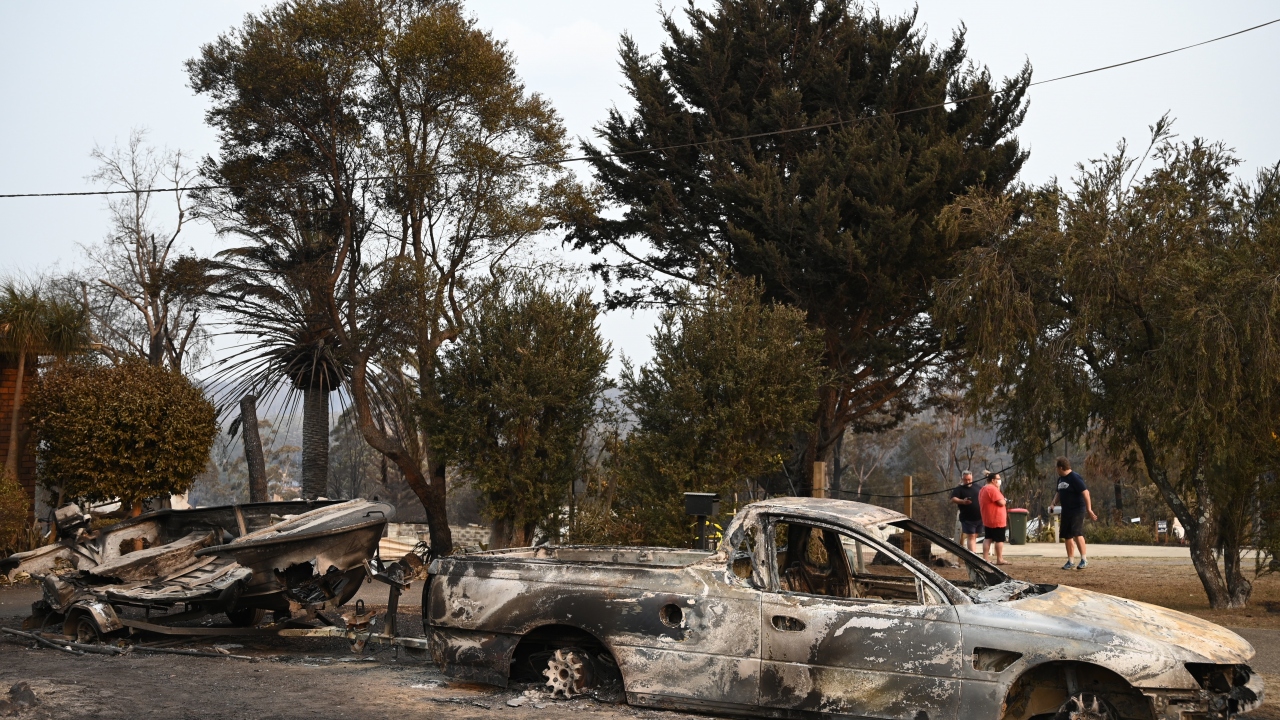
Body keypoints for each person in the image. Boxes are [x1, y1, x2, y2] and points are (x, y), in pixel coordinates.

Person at [1051, 456, 1097, 570]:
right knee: (1067, 535)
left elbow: (1086, 493)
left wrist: (1089, 509)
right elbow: (1058, 493)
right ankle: (1070, 561)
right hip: (1066, 510)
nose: (1056, 470)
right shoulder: (1060, 479)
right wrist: (1053, 504)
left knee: (1077, 533)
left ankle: (1084, 559)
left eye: (1057, 468)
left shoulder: (1074, 477)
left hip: (1077, 509)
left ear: (1061, 467)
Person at [979, 472, 1011, 565]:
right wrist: (1004, 500)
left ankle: (985, 558)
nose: (1000, 480)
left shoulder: (983, 489)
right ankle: (999, 559)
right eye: (998, 479)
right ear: (993, 480)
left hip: (987, 518)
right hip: (996, 519)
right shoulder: (992, 489)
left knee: (988, 538)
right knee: (999, 539)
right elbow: (1001, 502)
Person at [949, 471, 982, 552]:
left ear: (972, 478)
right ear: (962, 479)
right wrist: (963, 501)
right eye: (965, 480)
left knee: (975, 536)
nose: (967, 481)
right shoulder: (959, 489)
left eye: (969, 479)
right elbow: (953, 499)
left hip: (979, 517)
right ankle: (973, 557)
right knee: (971, 536)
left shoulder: (977, 487)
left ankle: (973, 554)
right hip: (967, 518)